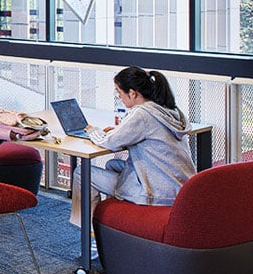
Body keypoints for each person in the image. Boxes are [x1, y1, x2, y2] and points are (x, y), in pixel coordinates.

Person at [72, 67, 194, 225]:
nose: (119, 97)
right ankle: (113, 225)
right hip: (180, 187)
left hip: (158, 193)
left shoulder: (142, 114)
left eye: (119, 92)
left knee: (81, 173)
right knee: (112, 164)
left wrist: (92, 131)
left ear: (132, 93)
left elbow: (110, 142)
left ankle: (86, 231)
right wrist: (119, 130)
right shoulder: (167, 110)